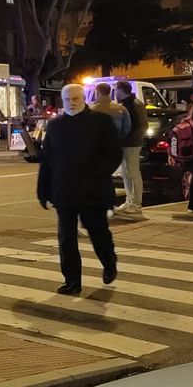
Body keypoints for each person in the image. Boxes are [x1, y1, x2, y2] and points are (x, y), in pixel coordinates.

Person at [36, 84, 121, 295]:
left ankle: (109, 262)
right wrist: (43, 190)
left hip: (93, 190)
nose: (71, 103)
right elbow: (48, 160)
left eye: (75, 98)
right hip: (64, 191)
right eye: (67, 100)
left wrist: (97, 172)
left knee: (98, 232)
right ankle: (72, 281)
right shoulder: (55, 126)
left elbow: (113, 154)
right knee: (66, 237)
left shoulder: (101, 122)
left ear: (83, 98)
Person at [115, 81, 147, 215]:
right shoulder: (127, 104)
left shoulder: (134, 105)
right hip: (127, 143)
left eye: (116, 90)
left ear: (121, 91)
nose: (115, 93)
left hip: (132, 144)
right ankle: (129, 201)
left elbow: (141, 126)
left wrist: (126, 138)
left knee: (133, 173)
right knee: (126, 173)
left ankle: (136, 203)